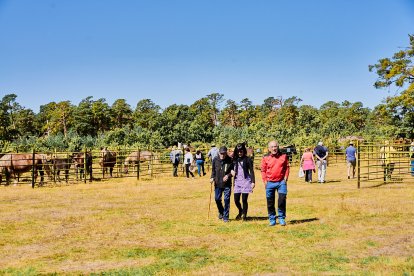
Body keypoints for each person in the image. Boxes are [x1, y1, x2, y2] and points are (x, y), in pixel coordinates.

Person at [261, 140, 290, 226]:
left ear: (278, 147)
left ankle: (281, 218)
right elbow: (263, 170)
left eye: (275, 146)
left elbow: (287, 167)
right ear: (269, 148)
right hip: (269, 183)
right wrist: (265, 181)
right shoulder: (265, 158)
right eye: (272, 147)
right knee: (270, 202)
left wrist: (285, 178)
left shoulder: (283, 156)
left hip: (281, 182)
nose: (274, 148)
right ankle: (272, 219)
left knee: (281, 200)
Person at [231, 143, 255, 221]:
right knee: (236, 200)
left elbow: (251, 171)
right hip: (237, 182)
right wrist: (231, 171)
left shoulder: (248, 159)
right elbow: (230, 168)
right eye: (238, 152)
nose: (239, 153)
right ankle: (240, 210)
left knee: (244, 199)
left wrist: (253, 181)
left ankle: (244, 215)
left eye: (241, 151)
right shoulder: (234, 160)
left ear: (244, 151)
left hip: (246, 181)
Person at [210, 146, 234, 222]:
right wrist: (212, 177)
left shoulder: (230, 160)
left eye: (224, 153)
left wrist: (228, 175)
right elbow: (213, 171)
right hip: (217, 183)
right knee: (217, 199)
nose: (222, 155)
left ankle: (226, 217)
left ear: (226, 153)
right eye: (221, 153)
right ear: (219, 153)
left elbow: (233, 172)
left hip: (227, 184)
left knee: (226, 200)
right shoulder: (215, 160)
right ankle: (221, 211)